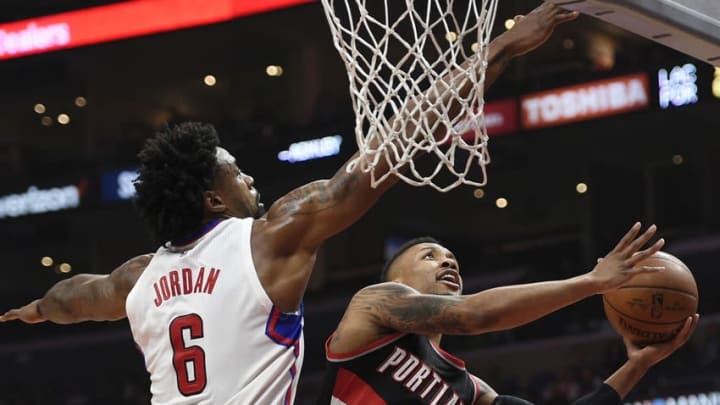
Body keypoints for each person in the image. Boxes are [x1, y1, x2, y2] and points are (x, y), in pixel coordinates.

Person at [0, 3, 579, 404]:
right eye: (234, 170)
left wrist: (34, 311)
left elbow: (71, 298)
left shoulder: (136, 279)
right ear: (212, 198)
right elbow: (394, 145)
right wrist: (500, 48)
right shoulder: (270, 236)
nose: (248, 175)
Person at [317, 227, 699, 405]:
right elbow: (473, 315)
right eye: (429, 255)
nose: (447, 260)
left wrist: (637, 365)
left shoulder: (472, 391)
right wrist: (591, 282)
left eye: (451, 257)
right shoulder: (373, 306)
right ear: (396, 279)